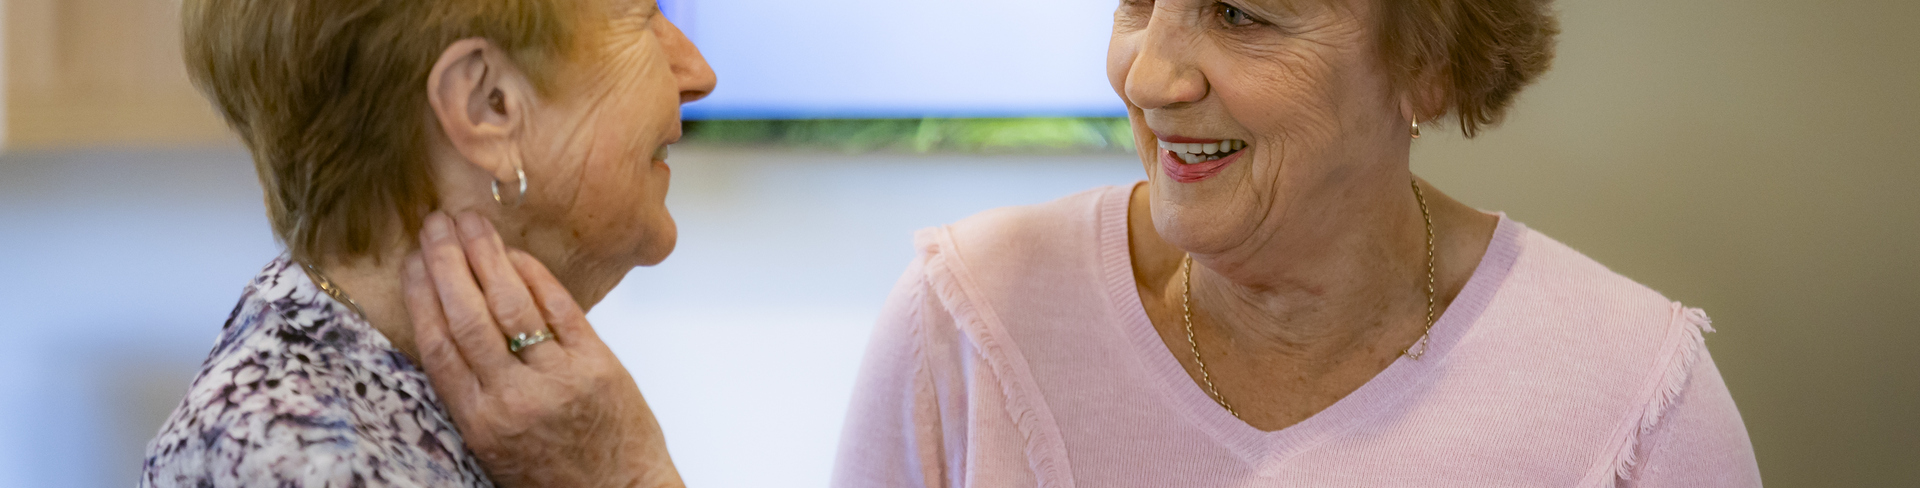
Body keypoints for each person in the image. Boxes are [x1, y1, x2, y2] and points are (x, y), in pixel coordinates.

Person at [409, 0, 1762, 487]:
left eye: (1240, 15)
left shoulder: (1630, 402)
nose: (1152, 73)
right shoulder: (967, 314)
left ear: (1431, 62)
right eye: (1137, 0)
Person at [139, 0, 715, 486]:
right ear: (487, 104)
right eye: (645, 18)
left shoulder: (505, 411)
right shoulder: (295, 459)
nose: (698, 72)